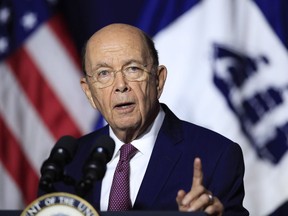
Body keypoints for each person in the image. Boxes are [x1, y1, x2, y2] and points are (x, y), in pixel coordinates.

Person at [42, 23, 249, 215]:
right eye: (104, 73)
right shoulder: (67, 165)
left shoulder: (216, 156)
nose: (120, 85)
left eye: (133, 69)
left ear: (158, 80)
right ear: (89, 92)